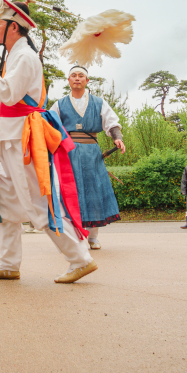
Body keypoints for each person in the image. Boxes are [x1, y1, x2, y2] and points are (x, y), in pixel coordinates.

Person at [0, 0, 97, 284]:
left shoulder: (24, 57)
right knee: (5, 203)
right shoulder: (16, 56)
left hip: (23, 139)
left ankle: (80, 258)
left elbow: (11, 95)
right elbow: (9, 100)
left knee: (38, 200)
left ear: (14, 26)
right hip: (12, 135)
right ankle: (8, 263)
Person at [49, 65, 125, 248]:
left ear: (86, 81)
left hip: (92, 153)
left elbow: (111, 122)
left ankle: (93, 237)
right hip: (68, 152)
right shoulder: (59, 104)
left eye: (80, 76)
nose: (77, 78)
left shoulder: (99, 102)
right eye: (73, 75)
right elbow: (50, 126)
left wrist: (118, 138)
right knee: (70, 192)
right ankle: (74, 234)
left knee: (93, 192)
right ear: (68, 80)